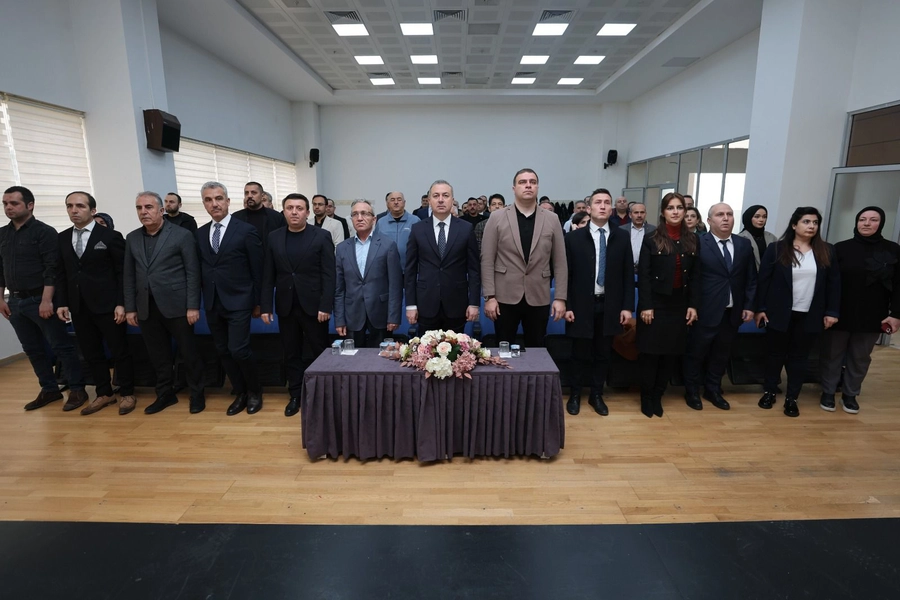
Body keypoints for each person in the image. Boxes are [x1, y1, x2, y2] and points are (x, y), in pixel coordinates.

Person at [0, 186, 87, 411]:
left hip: (41, 298)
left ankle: (77, 388)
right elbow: (0, 269)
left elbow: (52, 269)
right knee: (32, 348)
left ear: (30, 205)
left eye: (14, 203)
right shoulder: (2, 234)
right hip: (15, 301)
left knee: (61, 346)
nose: (9, 207)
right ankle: (49, 389)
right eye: (5, 203)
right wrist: (1, 299)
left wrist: (47, 300)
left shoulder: (44, 232)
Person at [123, 191, 205, 414]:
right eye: (139, 208)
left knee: (189, 353)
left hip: (178, 306)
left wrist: (193, 305)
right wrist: (130, 308)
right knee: (158, 355)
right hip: (146, 307)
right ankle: (165, 394)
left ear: (161, 210)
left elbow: (193, 273)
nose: (143, 212)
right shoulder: (132, 238)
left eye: (148, 207)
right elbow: (129, 275)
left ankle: (197, 394)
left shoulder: (181, 235)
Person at [55, 191, 136, 416]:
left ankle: (127, 392)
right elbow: (61, 274)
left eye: (80, 206)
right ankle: (104, 393)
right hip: (79, 306)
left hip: (108, 305)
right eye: (70, 206)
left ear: (92, 210)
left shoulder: (110, 236)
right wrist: (62, 302)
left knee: (119, 351)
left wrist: (122, 303)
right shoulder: (62, 238)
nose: (74, 210)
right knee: (91, 353)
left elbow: (123, 273)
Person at [755, 207, 840, 418]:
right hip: (778, 312)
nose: (811, 226)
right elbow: (763, 281)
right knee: (774, 355)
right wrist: (760, 309)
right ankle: (769, 391)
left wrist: (832, 311)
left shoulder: (826, 251)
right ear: (794, 225)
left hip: (810, 313)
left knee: (799, 358)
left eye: (815, 222)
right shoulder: (777, 249)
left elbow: (834, 284)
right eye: (806, 222)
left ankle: (792, 398)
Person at [818, 206, 900, 414]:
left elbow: (898, 286)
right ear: (856, 222)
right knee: (832, 354)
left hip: (873, 314)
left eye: (873, 220)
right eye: (862, 219)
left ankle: (850, 394)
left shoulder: (893, 250)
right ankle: (828, 391)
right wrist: (827, 310)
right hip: (839, 312)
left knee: (860, 357)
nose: (866, 223)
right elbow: (829, 283)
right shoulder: (840, 248)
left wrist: (896, 314)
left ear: (881, 223)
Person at [261, 193, 335, 417]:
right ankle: (295, 394)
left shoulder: (321, 236)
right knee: (291, 352)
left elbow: (329, 275)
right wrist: (266, 306)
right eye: (290, 208)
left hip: (314, 308)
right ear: (283, 211)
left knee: (319, 351)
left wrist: (326, 305)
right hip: (286, 306)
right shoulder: (274, 237)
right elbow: (268, 274)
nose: (294, 212)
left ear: (307, 212)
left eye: (299, 208)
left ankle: (324, 394)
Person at [563, 188, 634, 416]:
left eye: (606, 202)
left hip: (610, 304)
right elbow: (567, 275)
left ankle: (596, 394)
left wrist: (627, 307)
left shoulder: (621, 236)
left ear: (611, 208)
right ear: (589, 208)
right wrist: (567, 305)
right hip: (581, 304)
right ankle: (575, 394)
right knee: (579, 353)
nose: (602, 206)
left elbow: (627, 274)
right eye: (597, 202)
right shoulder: (573, 238)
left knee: (603, 353)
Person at [195, 182, 264, 416]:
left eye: (218, 198)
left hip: (240, 300)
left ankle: (254, 391)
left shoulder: (245, 230)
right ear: (204, 203)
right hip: (212, 302)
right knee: (223, 350)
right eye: (208, 200)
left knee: (239, 349)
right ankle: (240, 391)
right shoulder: (200, 233)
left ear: (227, 201)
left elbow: (258, 270)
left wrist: (259, 302)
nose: (214, 204)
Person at [682, 203, 757, 411]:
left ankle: (713, 389)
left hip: (733, 311)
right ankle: (691, 390)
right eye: (720, 215)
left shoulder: (743, 244)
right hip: (704, 310)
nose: (725, 218)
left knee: (721, 353)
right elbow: (691, 278)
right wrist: (691, 306)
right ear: (709, 221)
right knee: (696, 353)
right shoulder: (698, 242)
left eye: (729, 214)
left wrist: (749, 305)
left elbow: (751, 278)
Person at [481, 168, 568, 348]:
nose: (528, 185)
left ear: (537, 187)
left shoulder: (552, 219)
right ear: (514, 188)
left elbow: (560, 262)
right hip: (504, 296)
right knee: (503, 349)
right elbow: (487, 260)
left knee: (536, 348)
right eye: (523, 182)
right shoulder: (497, 218)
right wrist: (489, 296)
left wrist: (560, 298)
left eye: (532, 182)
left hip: (538, 295)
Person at [637, 192, 700, 418]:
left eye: (679, 208)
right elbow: (644, 275)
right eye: (670, 208)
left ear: (685, 211)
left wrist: (693, 305)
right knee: (651, 353)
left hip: (679, 305)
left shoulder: (692, 240)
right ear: (663, 212)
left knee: (670, 353)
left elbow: (696, 276)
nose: (675, 212)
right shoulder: (652, 238)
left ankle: (658, 395)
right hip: (655, 304)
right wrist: (646, 305)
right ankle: (646, 397)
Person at [405, 180, 480, 333]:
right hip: (426, 303)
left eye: (445, 195)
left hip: (457, 303)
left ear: (452, 200)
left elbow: (474, 270)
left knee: (456, 347)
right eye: (436, 196)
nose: (440, 200)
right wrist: (410, 305)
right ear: (429, 200)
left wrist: (474, 303)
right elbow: (410, 270)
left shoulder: (465, 228)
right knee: (426, 347)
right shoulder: (418, 229)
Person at [335, 200, 403, 348]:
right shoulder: (342, 248)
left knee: (382, 357)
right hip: (352, 314)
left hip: (380, 313)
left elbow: (395, 285)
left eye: (364, 213)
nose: (359, 218)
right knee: (352, 357)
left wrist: (393, 316)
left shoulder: (388, 245)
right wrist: (339, 319)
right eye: (355, 214)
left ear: (374, 219)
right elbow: (339, 288)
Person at [232, 182, 284, 258]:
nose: (249, 196)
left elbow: (282, 242)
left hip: (270, 260)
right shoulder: (236, 217)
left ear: (262, 196)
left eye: (253, 193)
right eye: (246, 193)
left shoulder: (276, 217)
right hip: (244, 261)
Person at [375, 191, 419, 272]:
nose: (396, 202)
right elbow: (376, 246)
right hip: (386, 270)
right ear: (388, 204)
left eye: (399, 199)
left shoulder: (415, 221)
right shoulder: (381, 222)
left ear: (404, 203)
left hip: (410, 270)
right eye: (392, 200)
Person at [737, 204, 778, 270]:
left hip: (769, 274)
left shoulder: (772, 237)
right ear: (749, 218)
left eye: (764, 217)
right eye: (757, 217)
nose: (761, 220)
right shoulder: (740, 238)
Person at [620, 202, 656, 273]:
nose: (639, 215)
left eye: (642, 212)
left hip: (647, 270)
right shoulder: (621, 230)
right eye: (636, 212)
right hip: (626, 270)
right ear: (630, 215)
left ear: (645, 214)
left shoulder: (653, 230)